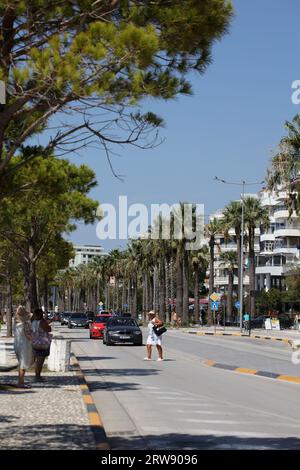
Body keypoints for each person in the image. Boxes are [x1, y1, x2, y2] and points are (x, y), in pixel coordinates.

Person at [14, 306, 33, 388]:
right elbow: (29, 336)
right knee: (23, 365)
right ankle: (20, 383)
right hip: (25, 346)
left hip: (17, 345)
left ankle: (21, 381)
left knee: (21, 364)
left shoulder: (16, 323)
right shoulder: (26, 324)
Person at [31, 308, 52, 382]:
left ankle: (36, 375)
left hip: (34, 341)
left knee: (37, 360)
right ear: (40, 314)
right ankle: (37, 376)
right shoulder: (42, 322)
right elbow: (48, 329)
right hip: (42, 343)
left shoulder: (33, 321)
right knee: (40, 360)